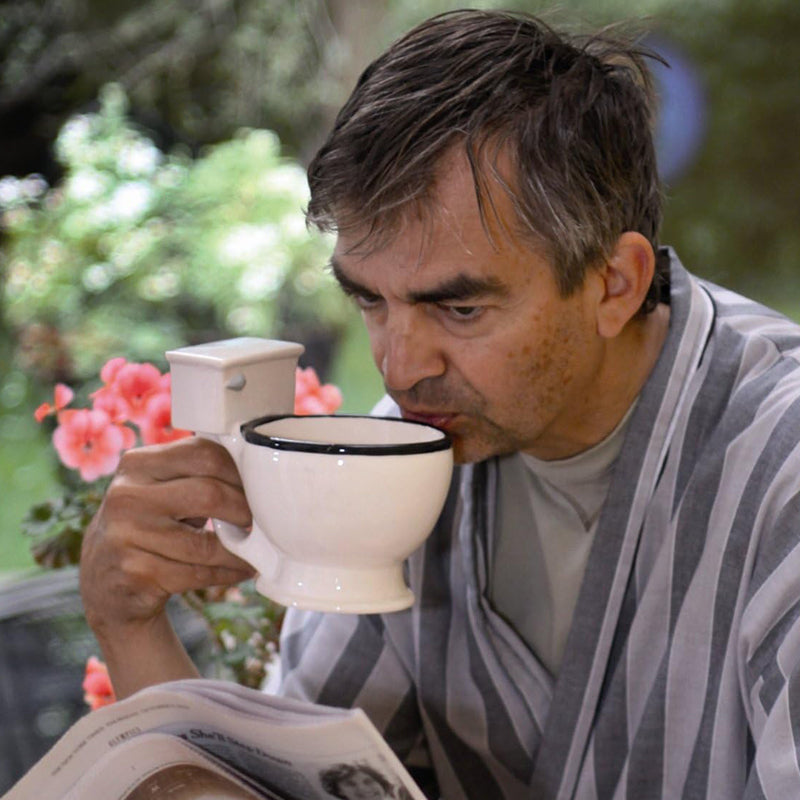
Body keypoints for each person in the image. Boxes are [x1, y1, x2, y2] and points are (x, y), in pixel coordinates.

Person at [78, 9, 800, 799]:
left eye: (460, 310)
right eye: (370, 302)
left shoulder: (780, 471)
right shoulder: (409, 457)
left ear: (614, 285)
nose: (399, 368)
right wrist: (130, 620)